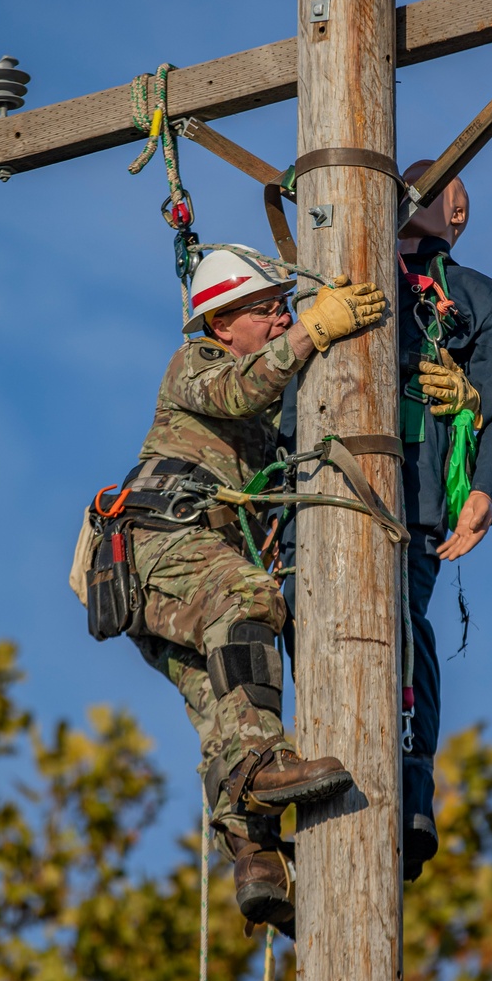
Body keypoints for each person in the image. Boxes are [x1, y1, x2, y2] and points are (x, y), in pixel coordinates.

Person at [110, 246, 385, 936]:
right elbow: (241, 389)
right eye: (266, 310)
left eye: (282, 309)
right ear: (221, 323)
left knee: (219, 710)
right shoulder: (196, 365)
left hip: (159, 581)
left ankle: (255, 857)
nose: (280, 318)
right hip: (165, 544)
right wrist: (314, 331)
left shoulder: (262, 427)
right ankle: (264, 768)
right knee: (248, 598)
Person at [396, 161, 492, 878]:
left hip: (415, 498)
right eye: (446, 195)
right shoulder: (332, 277)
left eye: (461, 204)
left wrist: (484, 491)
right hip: (321, 496)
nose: (458, 211)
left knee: (397, 623)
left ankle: (409, 790)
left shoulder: (479, 300)